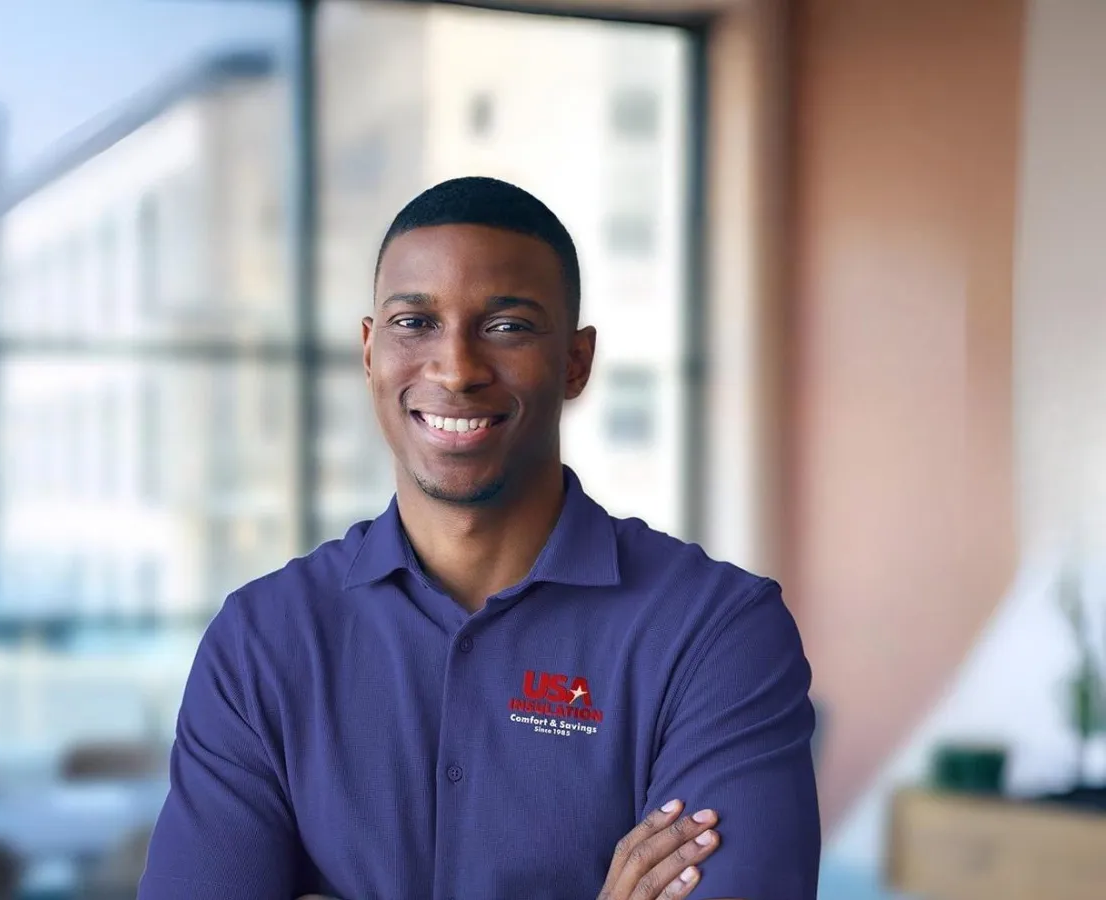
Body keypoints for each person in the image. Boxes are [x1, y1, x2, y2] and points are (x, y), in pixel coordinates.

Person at [139, 176, 820, 899]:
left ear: (576, 362)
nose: (457, 369)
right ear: (369, 353)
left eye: (507, 327)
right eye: (415, 322)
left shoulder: (716, 632)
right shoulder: (262, 639)